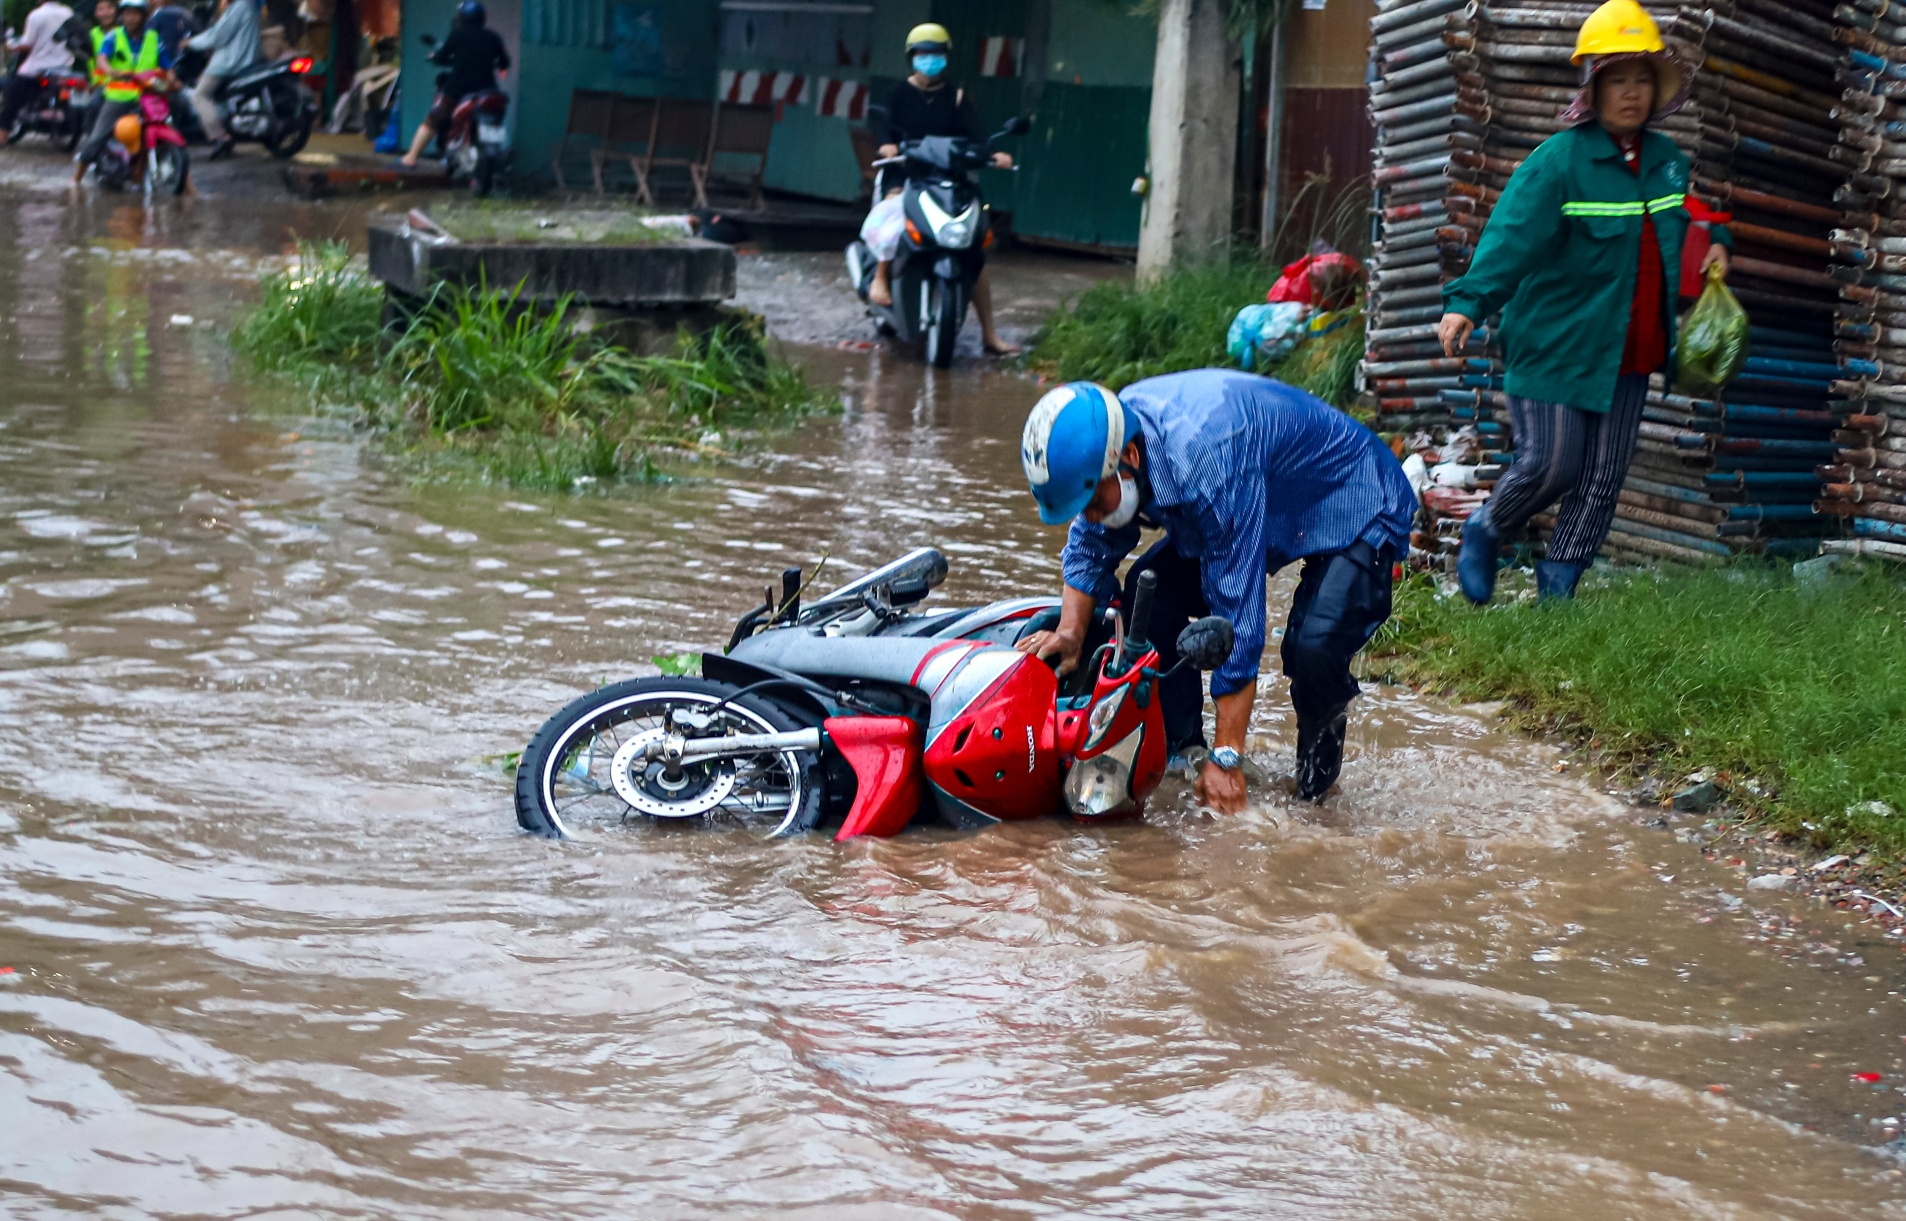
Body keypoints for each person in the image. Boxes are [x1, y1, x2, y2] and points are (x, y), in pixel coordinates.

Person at [1436, 0, 1732, 604]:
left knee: (1602, 478)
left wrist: (1715, 245)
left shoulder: (1669, 164)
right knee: (1553, 464)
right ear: (1593, 87)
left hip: (1630, 346)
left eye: (1642, 79)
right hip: (1555, 345)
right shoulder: (1559, 163)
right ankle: (1484, 528)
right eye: (1617, 79)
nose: (1631, 93)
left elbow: (1697, 216)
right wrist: (1467, 302)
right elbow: (1510, 240)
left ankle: (1559, 593)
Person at [1015, 373, 1418, 809]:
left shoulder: (1206, 464)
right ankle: (1182, 749)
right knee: (1151, 593)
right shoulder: (1115, 442)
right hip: (1269, 492)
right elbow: (1090, 545)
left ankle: (1316, 796)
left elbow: (1238, 618)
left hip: (1357, 496)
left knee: (1315, 649)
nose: (1091, 515)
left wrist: (1228, 758)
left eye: (1093, 501)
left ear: (1129, 456)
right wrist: (1071, 633)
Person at [861, 22, 1017, 356]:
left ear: (945, 57)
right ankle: (881, 276)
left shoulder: (957, 97)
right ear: (911, 57)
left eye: (935, 53)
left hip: (949, 179)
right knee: (894, 210)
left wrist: (993, 154)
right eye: (922, 53)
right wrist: (887, 144)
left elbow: (977, 135)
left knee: (974, 251)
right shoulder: (897, 94)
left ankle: (990, 333)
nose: (929, 59)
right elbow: (881, 123)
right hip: (906, 174)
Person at [72, 0, 170, 184]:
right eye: (127, 14)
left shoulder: (153, 39)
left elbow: (167, 67)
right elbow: (102, 59)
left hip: (148, 96)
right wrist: (111, 71)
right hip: (118, 95)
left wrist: (172, 79)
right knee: (98, 136)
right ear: (122, 16)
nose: (131, 18)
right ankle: (76, 178)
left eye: (136, 14)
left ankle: (187, 187)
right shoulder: (113, 36)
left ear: (144, 16)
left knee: (170, 128)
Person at [399, 0, 506, 167]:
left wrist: (435, 57)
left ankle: (411, 157)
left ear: (461, 17)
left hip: (459, 87)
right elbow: (504, 62)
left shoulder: (458, 34)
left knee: (433, 119)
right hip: (487, 88)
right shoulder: (493, 37)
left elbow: (442, 56)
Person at [183, 0, 258, 159]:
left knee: (200, 95)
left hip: (229, 63)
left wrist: (190, 43)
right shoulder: (246, 6)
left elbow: (217, 36)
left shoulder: (239, 7)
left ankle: (219, 137)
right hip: (245, 60)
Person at [0, 0, 76, 141]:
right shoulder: (68, 12)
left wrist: (11, 46)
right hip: (64, 67)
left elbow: (27, 44)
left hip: (38, 67)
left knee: (12, 94)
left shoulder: (36, 15)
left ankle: (2, 133)